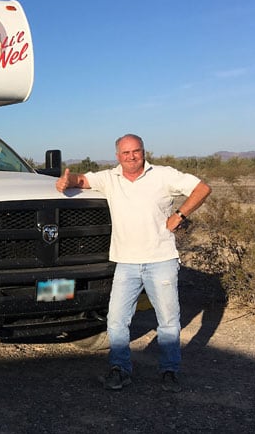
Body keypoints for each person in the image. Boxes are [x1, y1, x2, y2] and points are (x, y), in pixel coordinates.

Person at [55, 133, 211, 393]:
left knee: (169, 321)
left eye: (136, 151)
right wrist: (66, 180)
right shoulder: (110, 178)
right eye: (125, 153)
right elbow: (81, 180)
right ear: (118, 156)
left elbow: (202, 188)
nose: (131, 156)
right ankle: (119, 370)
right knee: (116, 320)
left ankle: (169, 371)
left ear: (144, 151)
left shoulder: (163, 175)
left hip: (160, 259)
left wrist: (180, 214)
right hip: (126, 263)